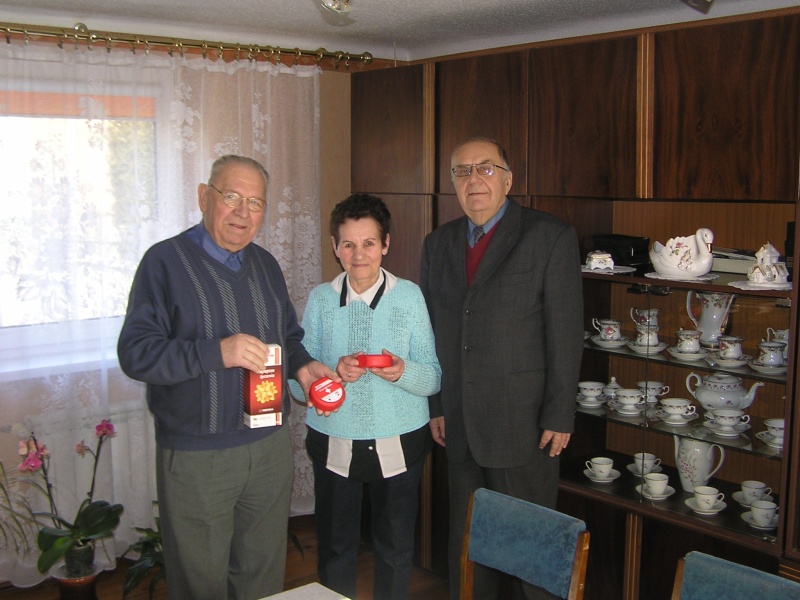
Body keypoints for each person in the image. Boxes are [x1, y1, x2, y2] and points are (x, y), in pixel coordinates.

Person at [117, 155, 337, 600]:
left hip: (269, 448)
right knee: (200, 583)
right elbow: (136, 354)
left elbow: (287, 336)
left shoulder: (266, 264)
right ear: (204, 196)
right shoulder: (164, 263)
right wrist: (217, 352)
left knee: (262, 575)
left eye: (255, 203)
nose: (242, 212)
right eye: (231, 196)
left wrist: (303, 366)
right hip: (199, 455)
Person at [420, 137, 584, 599]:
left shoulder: (549, 237)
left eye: (486, 168)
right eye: (462, 171)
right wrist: (437, 404)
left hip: (525, 428)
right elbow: (430, 334)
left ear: (508, 180)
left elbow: (566, 333)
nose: (474, 179)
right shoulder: (438, 244)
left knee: (531, 552)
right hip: (460, 425)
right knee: (470, 549)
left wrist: (560, 415)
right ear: (453, 183)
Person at [297, 194, 441, 599]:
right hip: (334, 441)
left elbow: (433, 377)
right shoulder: (321, 300)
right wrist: (331, 373)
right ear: (334, 247)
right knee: (335, 549)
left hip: (399, 441)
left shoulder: (409, 296)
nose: (358, 254)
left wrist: (402, 371)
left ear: (386, 244)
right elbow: (296, 384)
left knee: (394, 550)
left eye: (369, 243)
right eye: (348, 244)